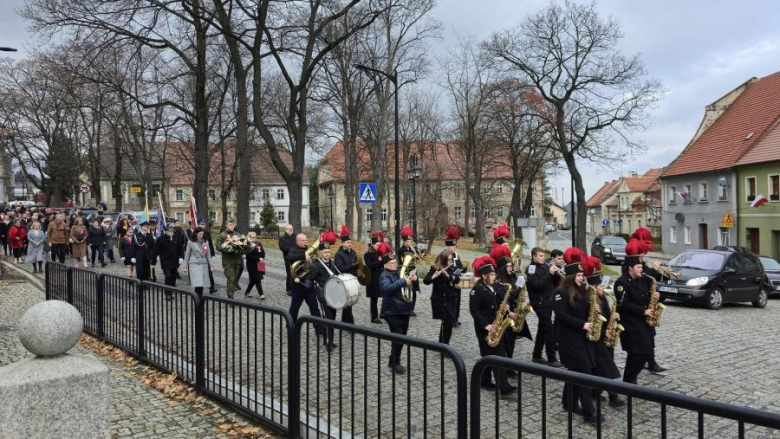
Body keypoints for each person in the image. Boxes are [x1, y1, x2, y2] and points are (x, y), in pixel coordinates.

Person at [552, 256, 598, 423]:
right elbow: (561, 316)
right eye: (578, 275)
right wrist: (583, 324)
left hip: (582, 339)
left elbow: (584, 310)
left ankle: (568, 403)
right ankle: (589, 413)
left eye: (582, 275)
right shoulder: (560, 292)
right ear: (571, 277)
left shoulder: (582, 291)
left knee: (575, 372)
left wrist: (594, 308)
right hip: (569, 340)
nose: (582, 278)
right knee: (584, 374)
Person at [469, 255, 516, 396]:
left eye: (495, 274)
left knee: (490, 355)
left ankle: (484, 380)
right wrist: (486, 326)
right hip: (485, 328)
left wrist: (507, 308)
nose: (494, 277)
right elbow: (474, 311)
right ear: (484, 276)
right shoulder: (476, 290)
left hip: (497, 324)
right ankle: (504, 387)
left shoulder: (496, 286)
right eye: (491, 275)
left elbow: (502, 300)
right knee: (495, 355)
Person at [582, 255, 625, 407]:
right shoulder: (590, 299)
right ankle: (614, 397)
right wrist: (603, 332)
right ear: (593, 287)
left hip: (605, 335)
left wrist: (614, 315)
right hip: (597, 338)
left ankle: (595, 392)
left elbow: (606, 313)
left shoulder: (602, 296)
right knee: (608, 369)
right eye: (600, 286)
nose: (603, 289)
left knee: (601, 368)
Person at [627, 228, 668, 374]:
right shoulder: (630, 263)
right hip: (638, 308)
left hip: (647, 303)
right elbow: (641, 281)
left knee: (650, 335)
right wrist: (654, 271)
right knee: (643, 339)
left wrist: (664, 274)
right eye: (643, 251)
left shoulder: (640, 261)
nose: (645, 254)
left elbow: (649, 282)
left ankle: (651, 362)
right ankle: (646, 363)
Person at [616, 254, 659, 385]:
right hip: (630, 324)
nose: (642, 269)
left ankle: (629, 380)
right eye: (639, 267)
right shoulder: (621, 283)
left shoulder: (641, 279)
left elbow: (645, 297)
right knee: (640, 354)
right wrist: (643, 311)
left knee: (637, 354)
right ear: (630, 268)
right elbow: (624, 304)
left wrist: (656, 296)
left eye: (641, 266)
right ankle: (629, 378)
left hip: (643, 323)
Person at [379, 242, 417, 374]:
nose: (395, 264)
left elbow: (406, 287)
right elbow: (387, 289)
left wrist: (412, 279)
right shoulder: (384, 275)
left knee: (402, 337)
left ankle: (394, 360)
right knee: (399, 337)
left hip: (403, 309)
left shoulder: (397, 272)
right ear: (385, 265)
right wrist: (403, 281)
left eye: (395, 262)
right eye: (392, 263)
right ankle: (395, 363)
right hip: (392, 311)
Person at [491, 244, 532, 363]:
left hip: (515, 313)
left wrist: (522, 295)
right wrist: (508, 311)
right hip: (505, 315)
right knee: (506, 341)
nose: (510, 268)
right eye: (507, 266)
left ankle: (509, 361)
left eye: (511, 265)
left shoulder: (514, 278)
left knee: (512, 341)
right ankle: (505, 363)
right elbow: (499, 299)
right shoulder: (498, 282)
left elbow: (519, 290)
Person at [526, 247, 563, 367]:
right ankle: (551, 358)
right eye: (540, 256)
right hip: (539, 304)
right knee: (549, 330)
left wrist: (557, 272)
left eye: (543, 256)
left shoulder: (546, 266)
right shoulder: (531, 269)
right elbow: (538, 285)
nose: (543, 258)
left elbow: (554, 282)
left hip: (549, 302)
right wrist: (550, 273)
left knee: (542, 329)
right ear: (534, 257)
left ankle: (536, 355)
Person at [304, 231, 341, 351]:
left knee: (333, 318)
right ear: (320, 253)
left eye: (328, 252)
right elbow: (309, 277)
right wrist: (308, 283)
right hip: (323, 295)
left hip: (333, 294)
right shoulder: (316, 265)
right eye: (325, 252)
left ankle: (330, 340)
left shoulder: (332, 263)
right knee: (327, 318)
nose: (327, 254)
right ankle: (327, 342)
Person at [423, 249, 459, 344]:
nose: (450, 262)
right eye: (448, 260)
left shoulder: (452, 268)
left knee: (448, 322)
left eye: (451, 259)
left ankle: (441, 343)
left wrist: (449, 276)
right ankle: (445, 345)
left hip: (450, 299)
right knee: (447, 322)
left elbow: (457, 279)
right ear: (443, 260)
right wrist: (434, 276)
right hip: (439, 299)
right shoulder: (435, 268)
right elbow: (426, 281)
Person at [287, 233, 322, 321]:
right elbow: (289, 257)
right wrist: (304, 256)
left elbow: (315, 264)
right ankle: (291, 326)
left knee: (314, 307)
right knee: (294, 308)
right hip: (298, 284)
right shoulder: (293, 250)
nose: (305, 242)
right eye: (303, 240)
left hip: (309, 283)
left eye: (306, 240)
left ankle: (320, 329)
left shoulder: (309, 249)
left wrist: (313, 261)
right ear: (298, 241)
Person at [333, 225, 357, 324]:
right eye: (348, 242)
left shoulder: (353, 252)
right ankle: (349, 323)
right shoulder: (339, 254)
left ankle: (345, 321)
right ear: (343, 243)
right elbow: (340, 269)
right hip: (343, 281)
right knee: (347, 302)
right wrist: (352, 266)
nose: (350, 244)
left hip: (352, 279)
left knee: (349, 302)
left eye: (350, 242)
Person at [443, 225, 465, 326]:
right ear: (448, 246)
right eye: (453, 246)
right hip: (449, 281)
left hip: (457, 280)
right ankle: (451, 320)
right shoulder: (444, 255)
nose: (454, 248)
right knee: (451, 302)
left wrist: (464, 269)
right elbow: (443, 268)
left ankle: (455, 319)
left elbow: (459, 265)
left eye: (455, 246)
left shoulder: (456, 255)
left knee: (458, 300)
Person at [183, 227, 213, 298]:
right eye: (199, 234)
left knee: (201, 283)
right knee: (197, 283)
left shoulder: (206, 242)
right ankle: (197, 297)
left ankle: (198, 297)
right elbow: (187, 255)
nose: (201, 235)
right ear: (196, 233)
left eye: (202, 234)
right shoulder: (190, 242)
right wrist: (184, 266)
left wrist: (211, 265)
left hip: (203, 264)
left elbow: (208, 255)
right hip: (194, 264)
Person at [396, 227, 420, 317]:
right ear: (404, 241)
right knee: (406, 289)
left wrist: (416, 254)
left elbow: (418, 258)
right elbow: (400, 261)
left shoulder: (413, 249)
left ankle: (412, 309)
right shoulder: (401, 250)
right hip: (405, 271)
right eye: (407, 241)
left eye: (410, 241)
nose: (409, 243)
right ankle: (405, 307)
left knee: (413, 290)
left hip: (413, 271)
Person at [155, 226, 183, 300]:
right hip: (165, 261)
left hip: (174, 261)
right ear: (166, 231)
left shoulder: (176, 238)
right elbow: (156, 249)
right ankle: (167, 294)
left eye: (172, 231)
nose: (171, 232)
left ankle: (172, 289)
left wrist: (181, 257)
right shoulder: (160, 239)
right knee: (168, 276)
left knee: (173, 277)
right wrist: (155, 258)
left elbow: (180, 249)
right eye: (169, 231)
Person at [364, 231, 385, 324]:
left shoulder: (380, 252)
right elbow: (370, 266)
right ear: (372, 244)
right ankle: (374, 317)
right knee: (374, 299)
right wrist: (379, 260)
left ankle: (384, 314)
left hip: (381, 277)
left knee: (386, 295)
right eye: (377, 245)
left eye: (379, 245)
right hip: (373, 279)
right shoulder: (367, 254)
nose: (378, 247)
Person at [218, 219, 241, 298]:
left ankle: (231, 291)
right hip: (227, 261)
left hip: (236, 260)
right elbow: (218, 247)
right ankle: (230, 296)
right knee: (231, 277)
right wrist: (228, 248)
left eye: (233, 225)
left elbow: (242, 245)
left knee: (235, 279)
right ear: (226, 225)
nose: (232, 226)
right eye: (230, 225)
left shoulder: (238, 234)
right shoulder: (222, 235)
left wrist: (243, 248)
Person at [244, 232, 266, 299]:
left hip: (259, 264)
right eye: (253, 237)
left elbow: (262, 252)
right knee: (257, 279)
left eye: (256, 237)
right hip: (251, 265)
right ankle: (261, 294)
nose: (255, 238)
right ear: (249, 238)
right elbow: (249, 256)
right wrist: (258, 258)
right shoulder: (247, 245)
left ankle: (247, 292)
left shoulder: (258, 244)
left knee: (253, 280)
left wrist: (262, 257)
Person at [279, 224, 296, 296]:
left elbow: (298, 246)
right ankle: (289, 289)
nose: (291, 229)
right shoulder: (282, 238)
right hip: (287, 258)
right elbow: (283, 248)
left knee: (296, 272)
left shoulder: (296, 237)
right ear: (285, 230)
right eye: (289, 229)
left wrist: (292, 249)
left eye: (291, 228)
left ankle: (296, 288)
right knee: (289, 273)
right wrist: (292, 249)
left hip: (296, 257)